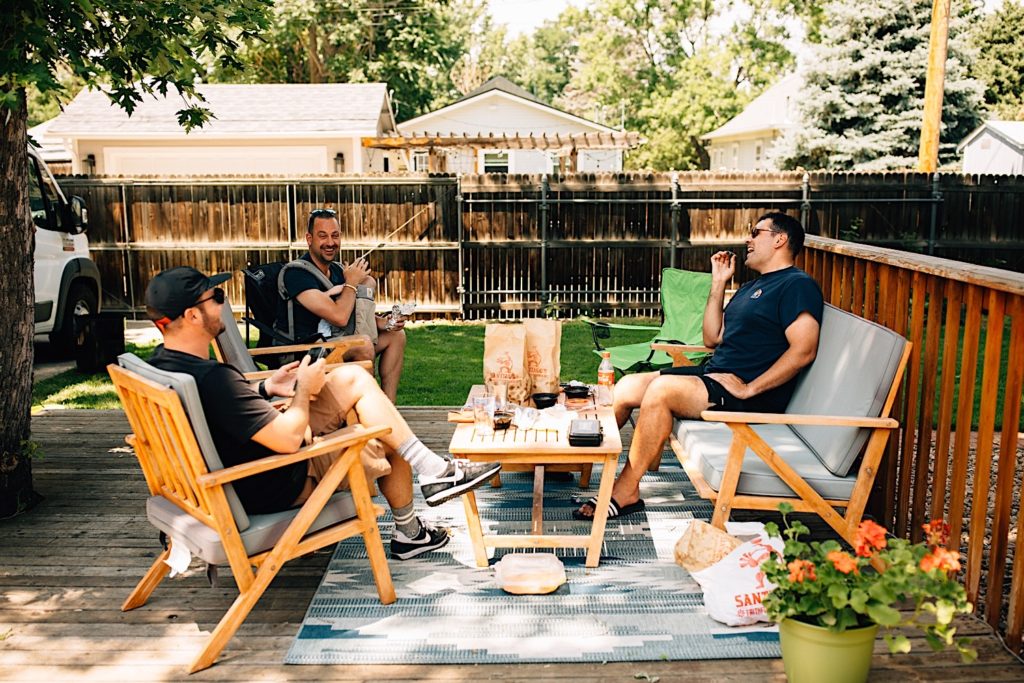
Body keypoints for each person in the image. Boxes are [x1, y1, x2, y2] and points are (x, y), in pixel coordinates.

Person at [144, 266, 500, 560]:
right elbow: (287, 440)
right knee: (383, 430)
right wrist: (303, 391)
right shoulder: (214, 379)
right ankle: (416, 517)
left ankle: (432, 475)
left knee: (351, 378)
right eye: (216, 298)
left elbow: (222, 410)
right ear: (192, 315)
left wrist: (267, 389)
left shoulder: (164, 367)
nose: (223, 305)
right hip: (276, 479)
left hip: (236, 469)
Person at [574, 212, 824, 521]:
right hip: (714, 374)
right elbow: (711, 338)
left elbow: (804, 350)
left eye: (756, 233)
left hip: (746, 392)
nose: (748, 238)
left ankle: (626, 490)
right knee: (626, 387)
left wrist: (750, 388)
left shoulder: (796, 285)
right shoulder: (751, 288)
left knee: (662, 391)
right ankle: (574, 460)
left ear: (779, 239)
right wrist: (718, 284)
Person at [279, 208, 407, 402]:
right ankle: (368, 410)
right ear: (309, 238)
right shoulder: (297, 274)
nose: (330, 243)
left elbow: (352, 312)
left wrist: (385, 323)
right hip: (307, 351)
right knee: (362, 344)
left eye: (335, 236)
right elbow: (339, 316)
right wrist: (351, 283)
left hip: (337, 341)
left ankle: (389, 407)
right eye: (322, 236)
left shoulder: (337, 270)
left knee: (396, 335)